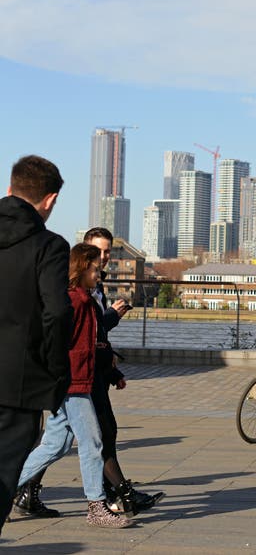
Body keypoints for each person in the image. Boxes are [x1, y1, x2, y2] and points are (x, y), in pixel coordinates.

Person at [15, 227, 164, 519]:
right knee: (94, 441)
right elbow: (68, 342)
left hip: (78, 379)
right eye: (96, 267)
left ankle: (10, 485)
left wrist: (110, 369)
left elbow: (94, 341)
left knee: (55, 445)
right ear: (83, 267)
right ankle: (98, 505)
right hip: (75, 382)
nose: (101, 271)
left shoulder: (83, 297)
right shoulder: (77, 301)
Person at [0, 155, 73, 534]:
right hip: (17, 383)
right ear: (51, 199)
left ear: (9, 188)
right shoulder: (49, 246)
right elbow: (57, 313)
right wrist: (55, 371)